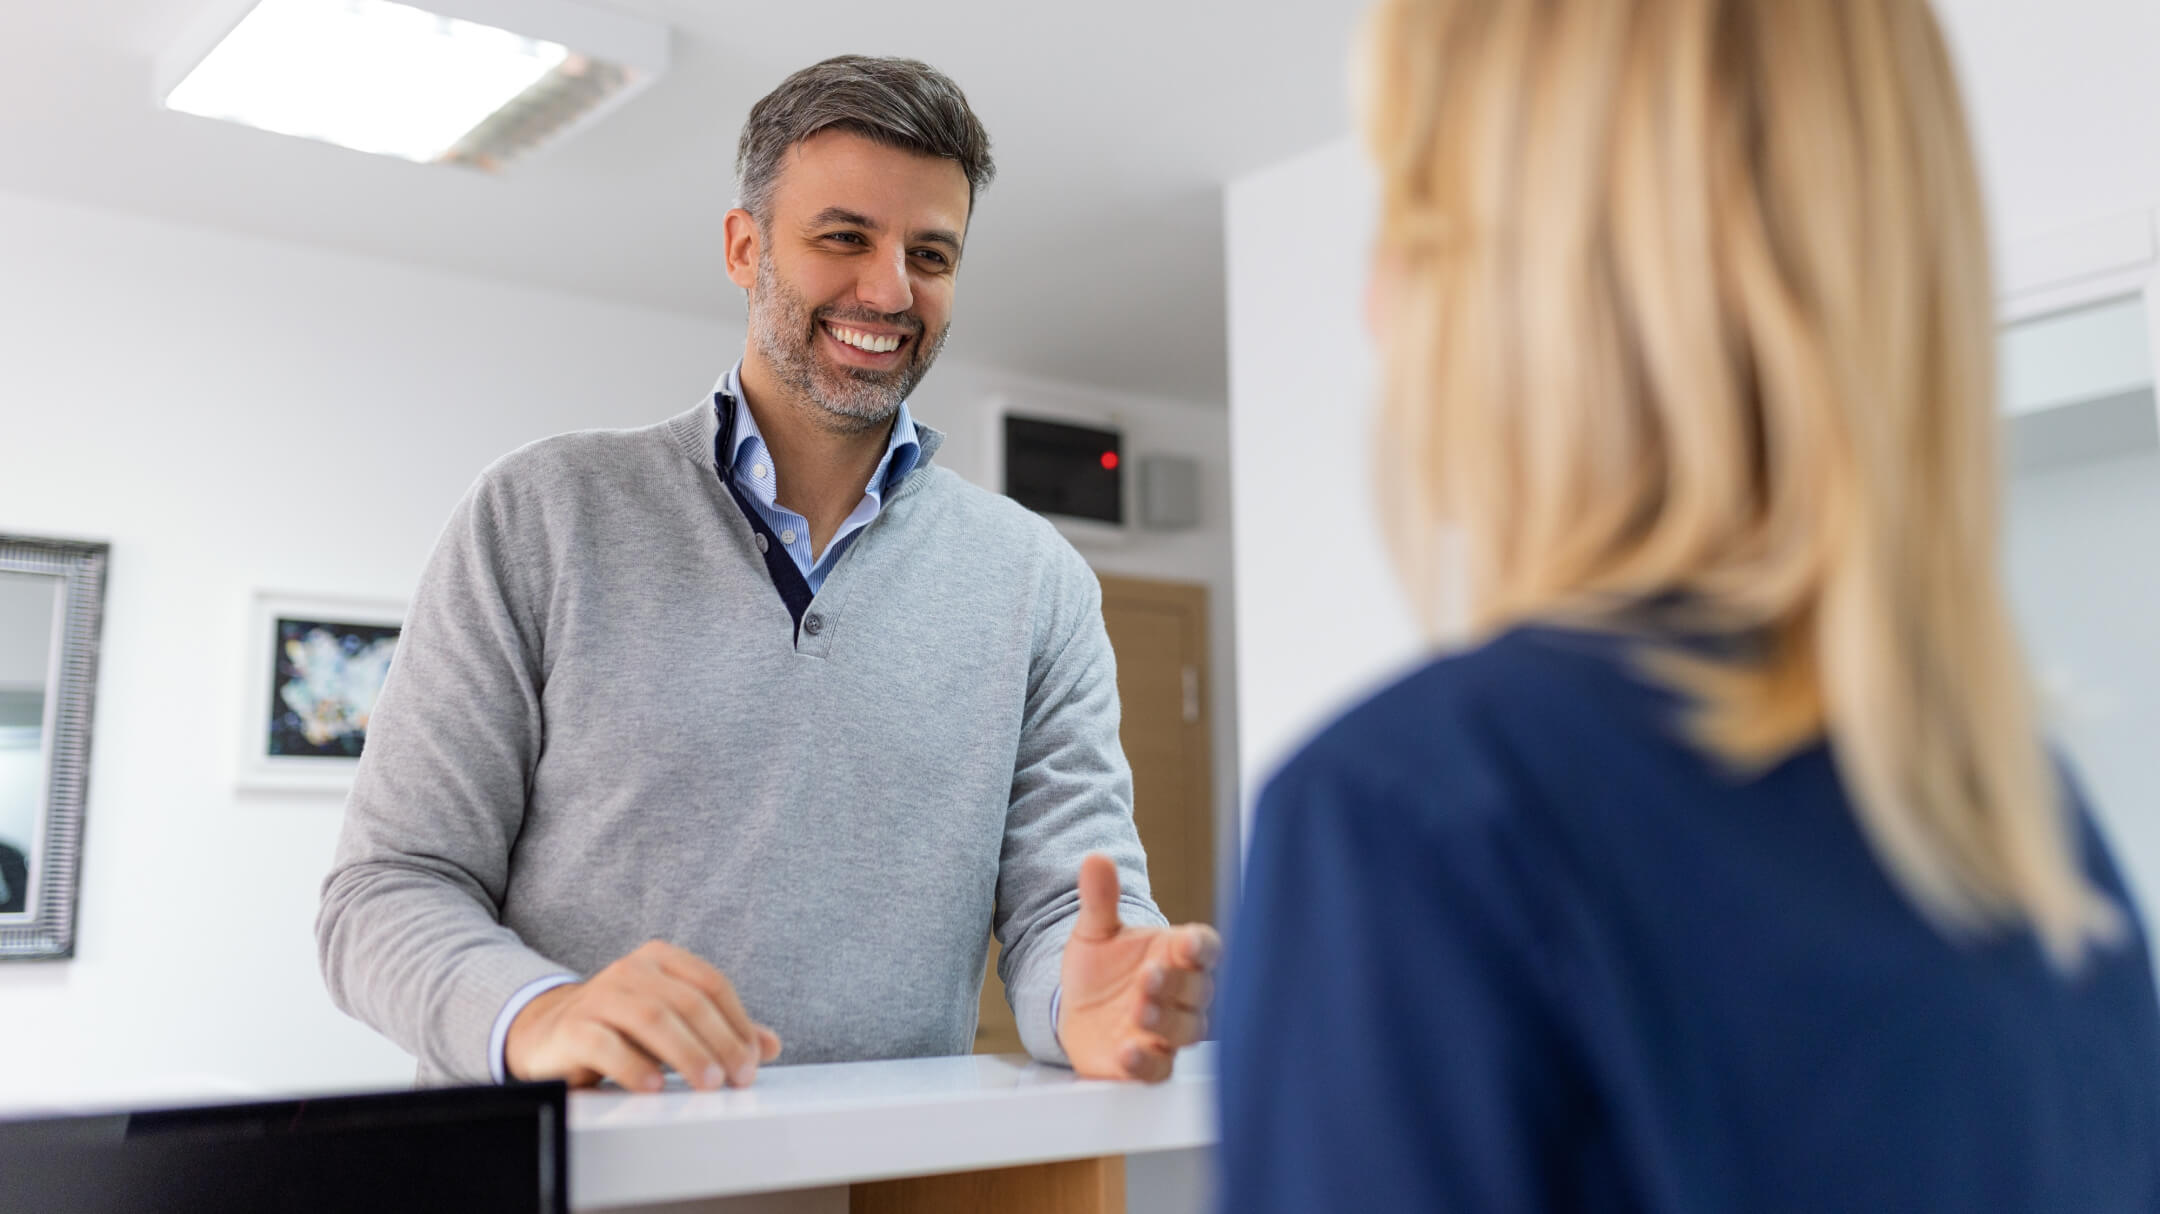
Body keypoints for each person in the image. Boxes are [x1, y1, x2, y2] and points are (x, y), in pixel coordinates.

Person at [1216, 1, 2160, 1210]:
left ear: (1529, 287)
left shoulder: (1411, 820)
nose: (1372, 305)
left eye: (1415, 213)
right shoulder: (2032, 835)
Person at [318, 55, 1218, 1093]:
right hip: (562, 1175)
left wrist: (1095, 992)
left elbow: (1071, 903)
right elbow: (385, 892)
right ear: (746, 248)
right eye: (846, 237)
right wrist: (542, 1011)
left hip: (874, 1187)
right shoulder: (542, 514)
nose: (890, 289)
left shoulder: (1035, 580)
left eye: (931, 252)